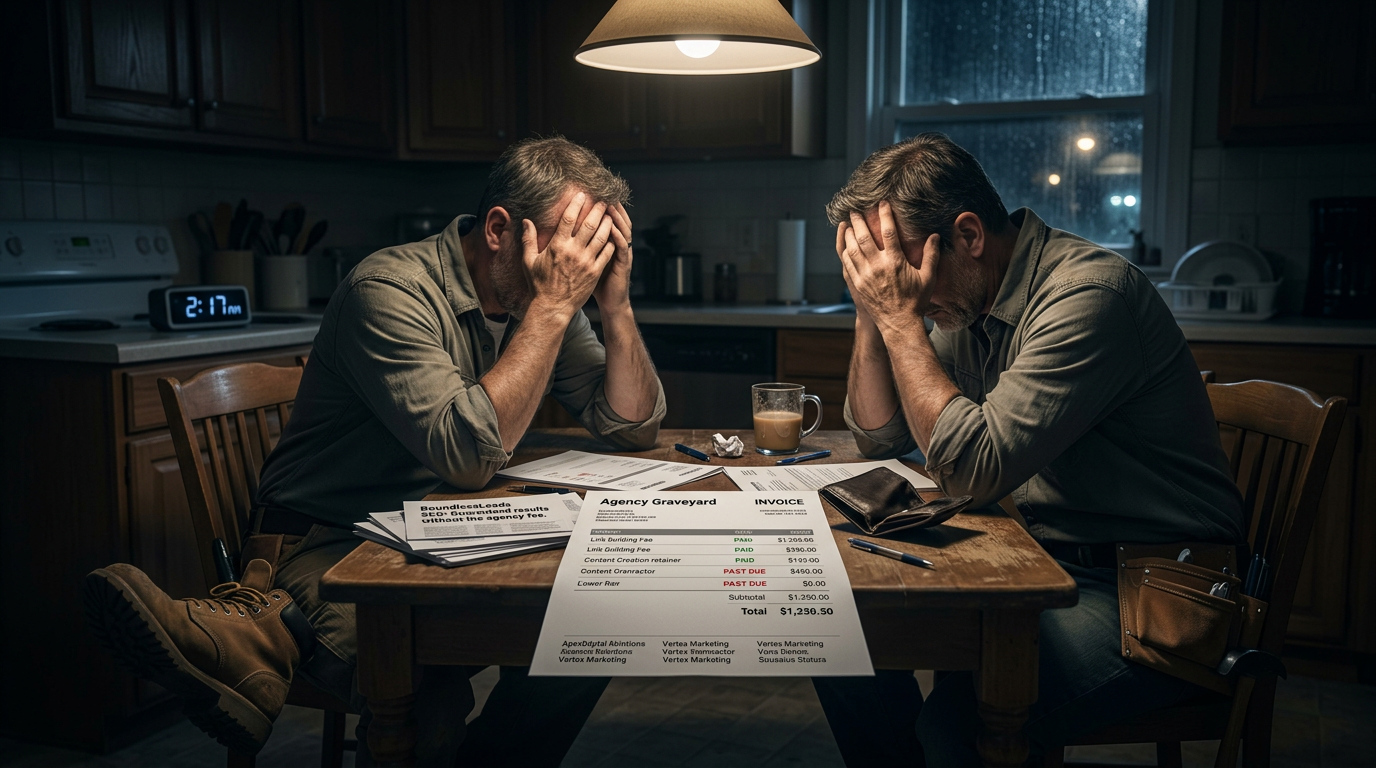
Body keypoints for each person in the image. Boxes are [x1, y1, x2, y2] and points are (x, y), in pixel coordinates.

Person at [85, 136, 665, 766]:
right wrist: (552, 309)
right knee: (424, 692)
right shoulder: (390, 290)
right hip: (326, 540)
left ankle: (256, 640)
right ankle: (258, 621)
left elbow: (633, 424)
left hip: (435, 528)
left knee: (593, 627)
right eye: (570, 244)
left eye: (594, 249)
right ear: (500, 229)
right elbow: (470, 456)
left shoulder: (544, 295)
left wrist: (615, 304)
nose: (579, 267)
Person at [811, 133, 1245, 766]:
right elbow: (881, 436)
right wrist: (871, 313)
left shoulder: (1088, 296)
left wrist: (901, 319)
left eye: (901, 264)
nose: (899, 285)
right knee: (837, 640)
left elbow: (969, 469)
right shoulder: (972, 297)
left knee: (958, 726)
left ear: (967, 235)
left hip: (1155, 593)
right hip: (1041, 560)